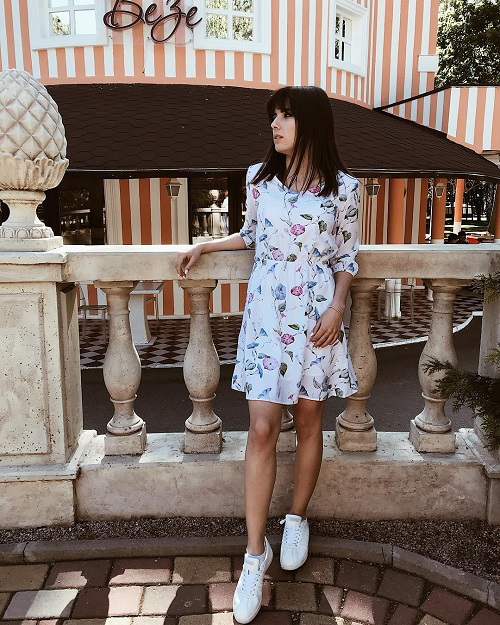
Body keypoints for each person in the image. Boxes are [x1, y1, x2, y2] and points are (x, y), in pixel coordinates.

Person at [176, 85, 359, 624]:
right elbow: (251, 235)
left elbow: (347, 256)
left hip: (317, 317)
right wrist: (205, 244)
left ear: (312, 123)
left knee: (309, 420)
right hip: (267, 316)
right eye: (273, 116)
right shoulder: (259, 178)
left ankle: (296, 518)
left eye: (285, 116)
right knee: (261, 428)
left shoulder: (345, 188)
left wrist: (338, 308)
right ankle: (255, 556)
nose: (275, 125)